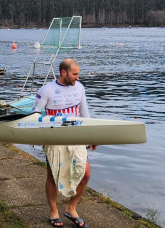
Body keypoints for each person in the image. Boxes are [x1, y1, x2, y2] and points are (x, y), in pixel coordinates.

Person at [32, 59, 94, 228]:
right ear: (63, 72)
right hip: (54, 137)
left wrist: (92, 136)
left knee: (86, 173)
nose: (77, 77)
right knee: (53, 176)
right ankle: (54, 212)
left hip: (75, 136)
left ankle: (71, 208)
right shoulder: (47, 90)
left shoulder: (80, 88)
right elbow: (34, 114)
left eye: (78, 74)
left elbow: (85, 114)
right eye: (74, 74)